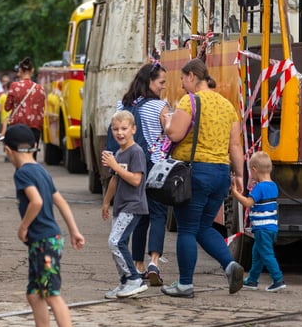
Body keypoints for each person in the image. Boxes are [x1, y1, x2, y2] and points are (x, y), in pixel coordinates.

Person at [161, 58, 245, 298]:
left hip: (196, 173)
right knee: (203, 227)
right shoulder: (227, 105)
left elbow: (175, 133)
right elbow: (235, 145)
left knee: (187, 229)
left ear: (191, 76)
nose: (181, 85)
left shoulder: (190, 101)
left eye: (182, 80)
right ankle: (230, 265)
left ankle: (185, 284)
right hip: (221, 174)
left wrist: (167, 121)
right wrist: (239, 175)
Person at [6, 124, 84, 327]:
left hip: (43, 241)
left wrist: (23, 227)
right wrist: (74, 231)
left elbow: (36, 202)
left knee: (51, 293)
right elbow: (61, 202)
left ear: (9, 151)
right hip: (48, 240)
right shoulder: (41, 170)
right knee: (34, 293)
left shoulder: (22, 173)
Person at [116, 62, 170, 285]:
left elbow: (117, 132)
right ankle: (154, 262)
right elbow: (172, 134)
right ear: (149, 82)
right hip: (156, 168)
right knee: (158, 215)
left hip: (133, 166)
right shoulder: (160, 107)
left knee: (140, 216)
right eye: (161, 82)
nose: (163, 87)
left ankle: (138, 264)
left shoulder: (123, 104)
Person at [100, 110, 149, 299]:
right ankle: (124, 282)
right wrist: (106, 202)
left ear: (133, 129)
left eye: (124, 128)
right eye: (115, 129)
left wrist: (115, 166)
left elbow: (136, 180)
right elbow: (115, 180)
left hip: (133, 205)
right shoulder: (119, 153)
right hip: (120, 206)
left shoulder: (136, 152)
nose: (119, 133)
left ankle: (135, 279)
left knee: (116, 242)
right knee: (117, 244)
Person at [231, 151, 286, 292]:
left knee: (266, 254)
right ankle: (252, 280)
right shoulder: (273, 186)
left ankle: (278, 279)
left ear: (254, 170)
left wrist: (235, 193)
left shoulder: (259, 188)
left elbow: (248, 203)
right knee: (257, 254)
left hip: (262, 228)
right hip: (271, 227)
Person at [4, 57, 45, 149]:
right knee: (32, 153)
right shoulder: (40, 88)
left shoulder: (14, 86)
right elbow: (41, 110)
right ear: (32, 70)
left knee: (18, 153)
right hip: (34, 127)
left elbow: (7, 107)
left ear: (20, 70)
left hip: (18, 126)